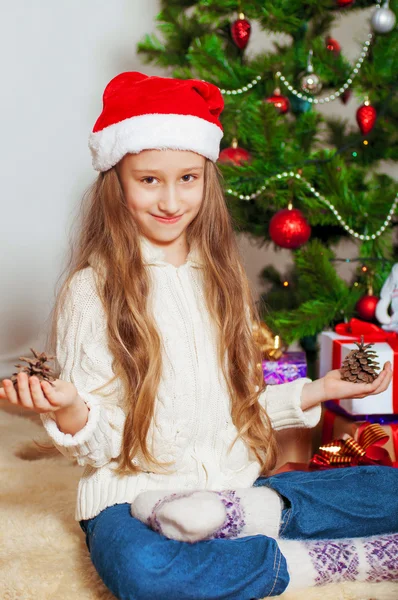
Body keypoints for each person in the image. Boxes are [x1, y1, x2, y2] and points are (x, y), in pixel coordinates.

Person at [1, 72, 397, 599]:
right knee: (146, 571)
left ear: (208, 178)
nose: (170, 200)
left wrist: (323, 390)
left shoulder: (221, 279)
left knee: (387, 487)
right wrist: (70, 407)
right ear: (116, 182)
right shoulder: (90, 290)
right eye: (149, 180)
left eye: (187, 178)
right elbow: (97, 445)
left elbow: (234, 406)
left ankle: (242, 514)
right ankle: (307, 560)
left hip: (228, 489)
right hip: (131, 498)